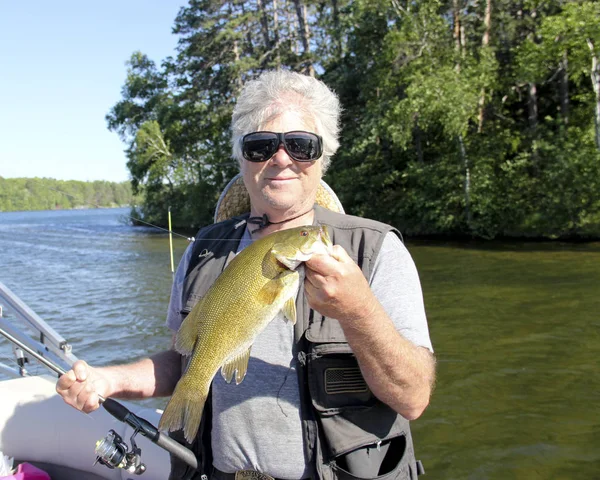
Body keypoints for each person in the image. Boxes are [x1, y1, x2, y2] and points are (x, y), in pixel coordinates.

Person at [56, 70, 435, 480]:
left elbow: (413, 398)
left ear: (323, 157)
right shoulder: (204, 250)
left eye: (301, 145)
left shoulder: (375, 250)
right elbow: (185, 361)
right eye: (261, 146)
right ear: (242, 157)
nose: (282, 158)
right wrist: (108, 379)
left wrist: (358, 309)